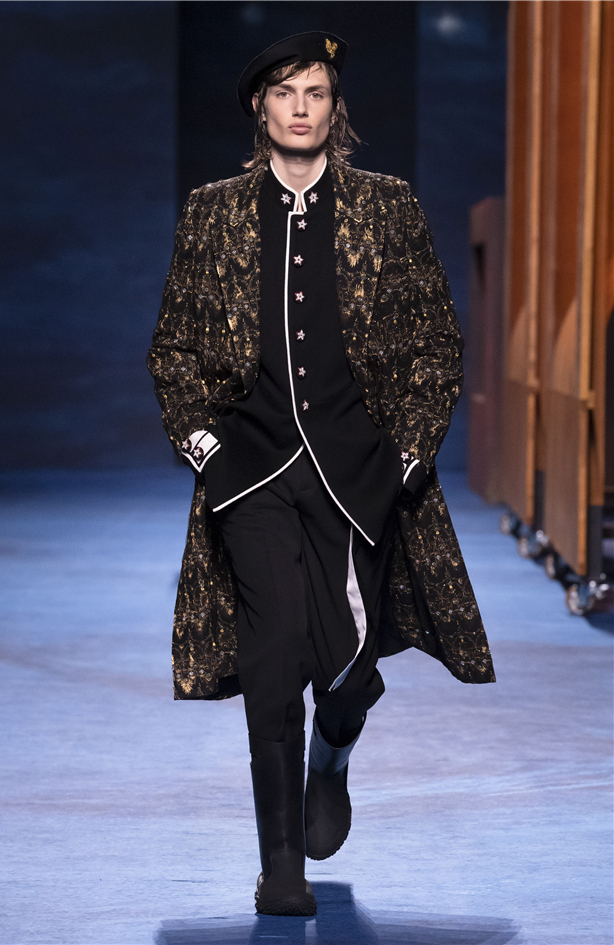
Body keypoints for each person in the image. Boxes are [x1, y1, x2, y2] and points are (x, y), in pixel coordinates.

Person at [147, 31, 495, 918]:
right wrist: (205, 447)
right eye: (284, 92)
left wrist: (410, 452)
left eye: (316, 92)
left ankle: (331, 757)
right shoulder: (214, 210)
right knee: (271, 656)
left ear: (336, 108)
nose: (300, 108)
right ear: (258, 107)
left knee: (345, 664)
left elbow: (435, 339)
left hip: (359, 470)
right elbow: (174, 344)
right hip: (252, 469)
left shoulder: (387, 205)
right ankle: (281, 863)